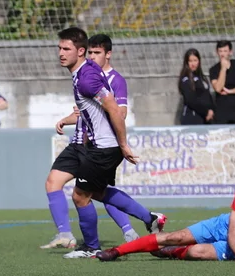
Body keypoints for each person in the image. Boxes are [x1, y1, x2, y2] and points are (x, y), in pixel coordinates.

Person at [39, 27, 163, 258]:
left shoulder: (86, 79)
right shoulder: (84, 71)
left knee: (80, 196)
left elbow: (114, 109)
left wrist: (123, 144)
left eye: (66, 49)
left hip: (105, 148)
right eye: (59, 48)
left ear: (80, 51)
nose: (61, 53)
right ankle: (150, 218)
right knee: (96, 192)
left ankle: (91, 247)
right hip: (95, 145)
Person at [96, 175, 235, 262]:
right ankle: (116, 252)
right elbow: (233, 232)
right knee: (175, 236)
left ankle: (172, 252)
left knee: (196, 252)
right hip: (225, 225)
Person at [208, 40, 235, 124]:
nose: (222, 54)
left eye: (225, 51)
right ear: (217, 52)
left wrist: (230, 91)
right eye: (220, 51)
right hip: (222, 110)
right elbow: (218, 88)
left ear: (230, 52)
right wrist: (223, 69)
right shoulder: (214, 69)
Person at [178, 48, 214, 125]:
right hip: (192, 118)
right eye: (190, 61)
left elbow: (207, 96)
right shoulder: (186, 79)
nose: (193, 64)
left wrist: (211, 109)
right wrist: (206, 112)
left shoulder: (202, 78)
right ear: (187, 63)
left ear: (199, 61)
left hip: (205, 118)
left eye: (195, 60)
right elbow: (191, 100)